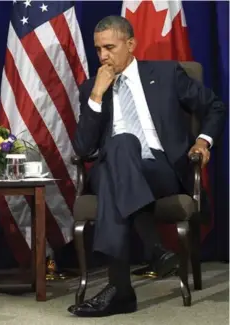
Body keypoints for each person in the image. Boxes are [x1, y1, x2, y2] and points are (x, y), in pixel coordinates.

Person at [68, 15, 226, 317]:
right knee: (121, 143)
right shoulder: (91, 87)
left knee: (118, 176)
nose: (103, 56)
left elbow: (214, 106)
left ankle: (122, 292)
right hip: (109, 169)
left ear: (131, 44)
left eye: (110, 47)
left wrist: (203, 141)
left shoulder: (166, 74)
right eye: (98, 49)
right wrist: (98, 94)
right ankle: (153, 249)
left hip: (159, 169)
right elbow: (83, 149)